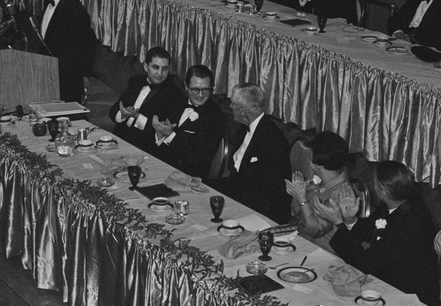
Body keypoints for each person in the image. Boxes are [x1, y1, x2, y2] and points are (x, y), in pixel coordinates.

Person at [322, 161, 439, 306]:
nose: (373, 185)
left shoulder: (410, 222)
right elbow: (371, 230)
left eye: (375, 182)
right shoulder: (396, 202)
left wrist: (338, 223)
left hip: (409, 294)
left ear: (382, 192)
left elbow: (365, 263)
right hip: (389, 276)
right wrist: (350, 218)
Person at [213, 83, 292, 224]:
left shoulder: (272, 139)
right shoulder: (244, 129)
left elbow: (269, 190)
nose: (230, 107)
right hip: (240, 194)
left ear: (242, 110)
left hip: (262, 210)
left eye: (232, 104)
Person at [37, 0, 97, 103]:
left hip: (66, 79)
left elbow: (88, 42)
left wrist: (84, 73)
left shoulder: (74, 9)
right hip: (48, 72)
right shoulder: (48, 1)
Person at [151, 64, 225, 178]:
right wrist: (160, 134)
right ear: (186, 86)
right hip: (162, 167)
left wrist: (170, 135)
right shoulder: (176, 103)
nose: (200, 95)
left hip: (189, 177)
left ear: (212, 87)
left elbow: (197, 158)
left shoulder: (215, 116)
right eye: (195, 89)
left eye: (205, 89)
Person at [109, 47, 186, 154]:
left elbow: (163, 128)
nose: (160, 73)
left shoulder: (174, 93)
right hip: (119, 139)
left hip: (146, 147)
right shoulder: (135, 81)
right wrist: (123, 113)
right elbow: (113, 111)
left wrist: (137, 117)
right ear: (146, 67)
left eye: (164, 69)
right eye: (155, 67)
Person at [285, 131, 356, 242]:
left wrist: (303, 199)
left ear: (317, 166)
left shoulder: (340, 193)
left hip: (323, 250)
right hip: (303, 239)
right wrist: (298, 194)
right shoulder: (320, 179)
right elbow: (298, 213)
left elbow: (315, 230)